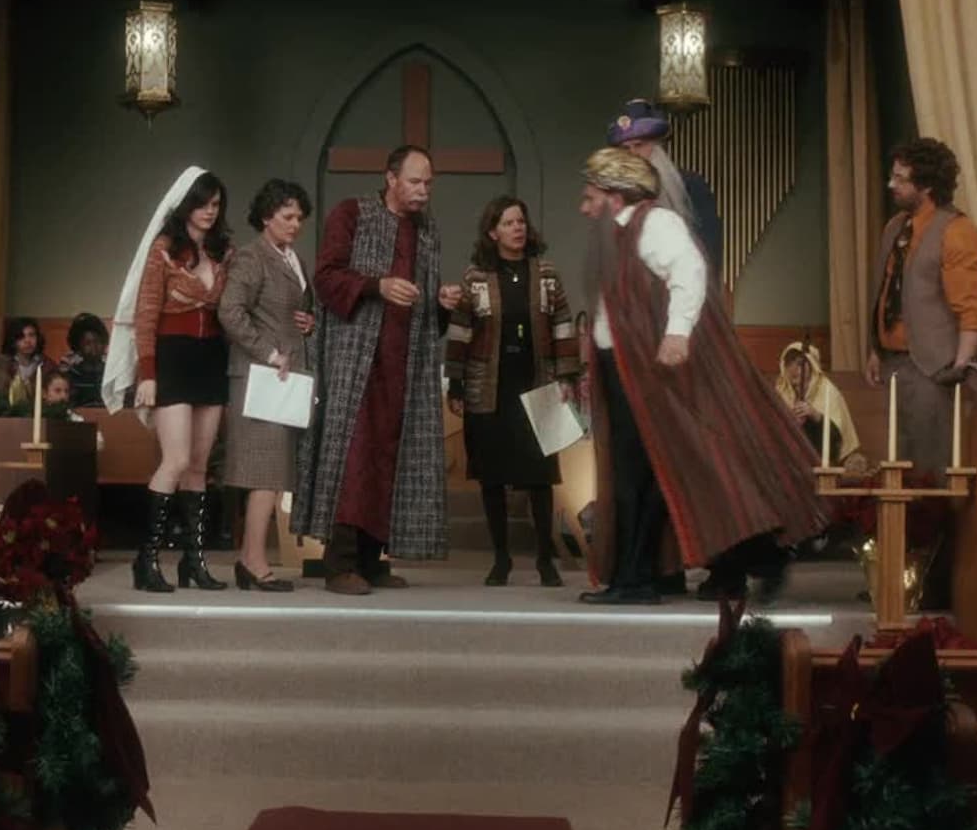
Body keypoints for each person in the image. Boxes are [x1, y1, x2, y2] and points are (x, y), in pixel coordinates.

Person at [576, 148, 825, 604]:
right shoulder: (614, 236)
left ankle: (662, 574)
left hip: (653, 370)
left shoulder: (655, 224)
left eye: (591, 197)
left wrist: (676, 333)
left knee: (659, 470)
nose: (584, 207)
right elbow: (611, 311)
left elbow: (689, 271)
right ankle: (646, 574)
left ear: (615, 196)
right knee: (641, 471)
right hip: (624, 368)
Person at [292, 145, 462, 595]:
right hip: (357, 359)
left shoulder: (427, 230)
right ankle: (340, 563)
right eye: (415, 181)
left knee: (391, 458)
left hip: (406, 363)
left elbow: (426, 310)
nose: (423, 191)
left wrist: (441, 303)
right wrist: (376, 286)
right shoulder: (352, 214)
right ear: (390, 178)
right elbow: (326, 278)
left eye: (428, 183)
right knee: (354, 458)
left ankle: (372, 559)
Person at [103, 168, 233, 593]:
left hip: (212, 358)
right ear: (185, 205)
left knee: (199, 467)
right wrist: (148, 374)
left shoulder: (223, 251)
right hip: (172, 358)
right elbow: (145, 316)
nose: (209, 212)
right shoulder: (163, 249)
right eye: (202, 204)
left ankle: (194, 562)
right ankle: (147, 559)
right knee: (174, 461)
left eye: (216, 204)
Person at [445, 196, 579, 587]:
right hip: (489, 388)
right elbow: (460, 332)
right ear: (493, 232)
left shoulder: (546, 273)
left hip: (537, 383)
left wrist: (567, 377)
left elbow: (563, 324)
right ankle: (501, 559)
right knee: (492, 476)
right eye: (508, 223)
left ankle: (545, 561)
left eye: (520, 221)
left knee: (540, 476)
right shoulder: (475, 277)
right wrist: (456, 383)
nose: (517, 228)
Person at [865, 137, 977, 477]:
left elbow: (972, 307)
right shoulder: (895, 227)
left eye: (901, 178)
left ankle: (934, 514)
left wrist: (959, 365)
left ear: (927, 185)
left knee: (931, 468)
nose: (891, 185)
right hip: (894, 363)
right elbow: (886, 293)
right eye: (892, 176)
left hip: (933, 368)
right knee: (899, 465)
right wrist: (875, 350)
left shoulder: (956, 231)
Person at [218, 179, 318, 593]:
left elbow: (292, 311)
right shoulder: (251, 256)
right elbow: (229, 311)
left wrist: (308, 323)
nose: (296, 224)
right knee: (264, 472)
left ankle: (251, 559)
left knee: (274, 473)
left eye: (300, 217)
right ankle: (254, 561)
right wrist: (269, 352)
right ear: (266, 217)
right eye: (287, 216)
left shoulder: (292, 258)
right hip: (261, 377)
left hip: (283, 377)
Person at [606, 98, 723, 280]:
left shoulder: (690, 185)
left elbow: (709, 250)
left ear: (656, 146)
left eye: (639, 145)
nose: (633, 154)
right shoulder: (615, 196)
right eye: (625, 149)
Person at [776, 341, 860, 465]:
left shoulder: (827, 390)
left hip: (821, 460)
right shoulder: (781, 391)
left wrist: (815, 415)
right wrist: (791, 422)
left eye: (800, 364)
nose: (793, 369)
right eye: (789, 364)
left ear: (812, 365)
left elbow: (836, 440)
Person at [61, 312, 109, 407]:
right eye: (88, 343)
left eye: (97, 341)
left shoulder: (111, 372)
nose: (94, 347)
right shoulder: (72, 373)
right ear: (79, 346)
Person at [3, 317, 45, 411]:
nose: (27, 341)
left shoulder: (47, 365)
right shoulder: (4, 366)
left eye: (31, 335)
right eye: (21, 337)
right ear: (13, 341)